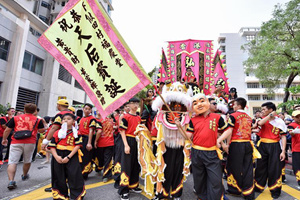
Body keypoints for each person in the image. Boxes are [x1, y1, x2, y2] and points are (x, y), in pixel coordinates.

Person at [186, 93, 231, 200]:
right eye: (195, 103)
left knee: (215, 180)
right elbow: (187, 136)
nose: (199, 105)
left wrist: (219, 140)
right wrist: (179, 127)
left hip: (212, 153)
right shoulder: (193, 120)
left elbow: (228, 130)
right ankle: (202, 197)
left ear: (206, 101)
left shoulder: (217, 117)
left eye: (202, 101)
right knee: (199, 179)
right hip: (197, 152)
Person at [218, 97, 255, 199]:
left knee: (234, 167)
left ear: (238, 106)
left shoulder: (233, 116)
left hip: (236, 143)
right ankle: (249, 193)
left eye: (234, 104)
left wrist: (225, 143)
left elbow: (229, 131)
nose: (233, 106)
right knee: (248, 168)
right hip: (248, 143)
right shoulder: (248, 117)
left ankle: (235, 189)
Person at [2, 103, 45, 190]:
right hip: (30, 142)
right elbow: (41, 130)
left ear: (24, 110)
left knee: (12, 161)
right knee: (27, 160)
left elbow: (7, 130)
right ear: (34, 111)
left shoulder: (15, 118)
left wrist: (4, 139)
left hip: (16, 141)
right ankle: (24, 175)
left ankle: (11, 181)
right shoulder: (37, 119)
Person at [48, 113, 86, 199]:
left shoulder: (77, 133)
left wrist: (68, 157)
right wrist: (56, 157)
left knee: (74, 175)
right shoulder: (57, 132)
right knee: (58, 176)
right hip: (58, 155)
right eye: (64, 119)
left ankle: (77, 195)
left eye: (68, 119)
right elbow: (52, 146)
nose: (65, 120)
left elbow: (78, 145)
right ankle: (60, 195)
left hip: (72, 155)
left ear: (73, 121)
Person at [253, 102, 286, 199]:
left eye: (264, 109)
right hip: (263, 145)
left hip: (275, 146)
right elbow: (260, 124)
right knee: (260, 167)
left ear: (271, 110)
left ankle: (275, 190)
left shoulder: (280, 122)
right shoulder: (262, 119)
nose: (262, 111)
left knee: (274, 168)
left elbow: (283, 137)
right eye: (262, 109)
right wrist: (270, 115)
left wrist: (283, 151)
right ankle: (259, 186)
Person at [118, 97, 142, 200]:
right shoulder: (125, 117)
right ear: (129, 105)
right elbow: (122, 131)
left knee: (135, 164)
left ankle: (133, 185)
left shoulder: (138, 117)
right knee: (126, 165)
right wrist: (126, 145)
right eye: (133, 103)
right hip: (128, 140)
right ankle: (124, 190)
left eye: (137, 103)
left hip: (136, 141)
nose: (135, 105)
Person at [78, 103, 97, 179]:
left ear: (91, 110)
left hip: (87, 138)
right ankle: (80, 172)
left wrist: (89, 143)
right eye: (86, 108)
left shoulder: (92, 119)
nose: (87, 110)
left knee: (86, 157)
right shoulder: (81, 119)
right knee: (81, 156)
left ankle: (85, 173)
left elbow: (91, 130)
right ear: (83, 109)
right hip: (80, 138)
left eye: (89, 109)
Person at [94, 113, 114, 182]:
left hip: (101, 143)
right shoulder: (111, 121)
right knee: (107, 160)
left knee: (101, 158)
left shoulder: (99, 121)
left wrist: (96, 141)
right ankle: (106, 175)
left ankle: (100, 170)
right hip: (110, 142)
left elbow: (99, 131)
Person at [113, 103, 129, 189]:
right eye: (126, 107)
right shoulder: (122, 116)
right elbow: (121, 128)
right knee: (119, 158)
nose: (128, 108)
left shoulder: (131, 115)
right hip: (121, 137)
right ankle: (117, 178)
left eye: (128, 106)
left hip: (128, 138)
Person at [287, 110, 300, 190]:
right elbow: (290, 133)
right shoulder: (291, 125)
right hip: (297, 149)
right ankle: (299, 180)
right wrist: (295, 131)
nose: (299, 118)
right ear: (293, 117)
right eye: (297, 117)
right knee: (297, 166)